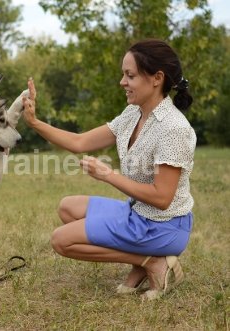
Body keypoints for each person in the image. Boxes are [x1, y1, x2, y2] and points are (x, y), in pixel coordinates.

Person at [21, 39, 196, 300]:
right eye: (123, 75)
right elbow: (80, 142)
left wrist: (107, 175)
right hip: (137, 213)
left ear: (157, 78)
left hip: (164, 227)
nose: (122, 82)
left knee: (61, 240)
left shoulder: (174, 129)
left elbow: (162, 198)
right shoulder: (133, 113)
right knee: (67, 207)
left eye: (130, 75)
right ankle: (142, 263)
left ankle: (152, 261)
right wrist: (35, 122)